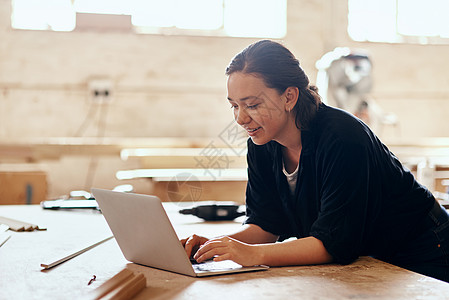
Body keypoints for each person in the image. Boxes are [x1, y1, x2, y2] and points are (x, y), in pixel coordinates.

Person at [181, 40, 449, 282]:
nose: (240, 118)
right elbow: (265, 224)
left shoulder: (343, 138)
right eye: (234, 106)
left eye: (251, 105)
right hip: (371, 256)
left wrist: (252, 254)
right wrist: (217, 244)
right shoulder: (262, 142)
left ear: (289, 96)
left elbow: (333, 244)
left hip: (424, 248)